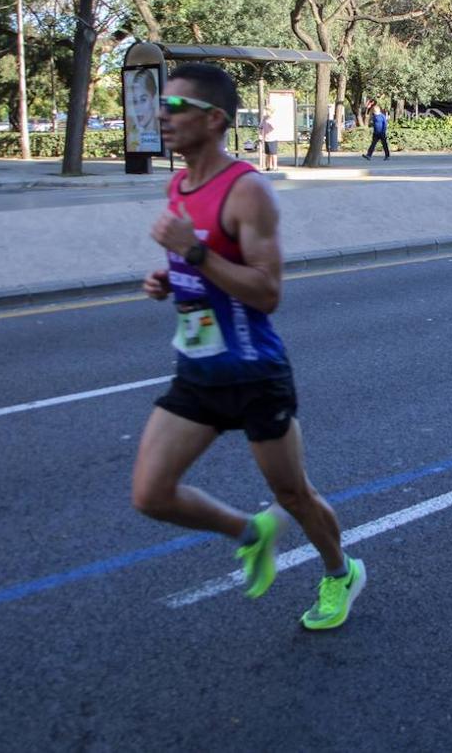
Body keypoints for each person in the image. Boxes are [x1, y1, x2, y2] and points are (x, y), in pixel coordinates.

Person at [134, 63, 365, 631]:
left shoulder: (248, 190)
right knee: (151, 494)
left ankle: (341, 573)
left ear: (213, 120)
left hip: (254, 373)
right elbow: (205, 267)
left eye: (176, 108)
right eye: (161, 106)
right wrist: (172, 278)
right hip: (198, 370)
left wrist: (192, 256)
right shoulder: (178, 183)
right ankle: (249, 532)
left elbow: (267, 293)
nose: (163, 116)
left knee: (294, 494)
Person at [126, 68, 161, 153]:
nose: (138, 108)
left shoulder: (159, 141)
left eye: (143, 99)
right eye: (135, 101)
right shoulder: (137, 141)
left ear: (153, 98)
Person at [257, 106, 278, 172]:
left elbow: (274, 127)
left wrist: (270, 123)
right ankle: (268, 166)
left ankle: (275, 166)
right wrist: (260, 135)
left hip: (273, 138)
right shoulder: (264, 118)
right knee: (268, 153)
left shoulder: (273, 118)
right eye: (266, 110)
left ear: (270, 111)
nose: (266, 112)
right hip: (266, 138)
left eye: (267, 110)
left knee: (273, 153)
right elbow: (260, 127)